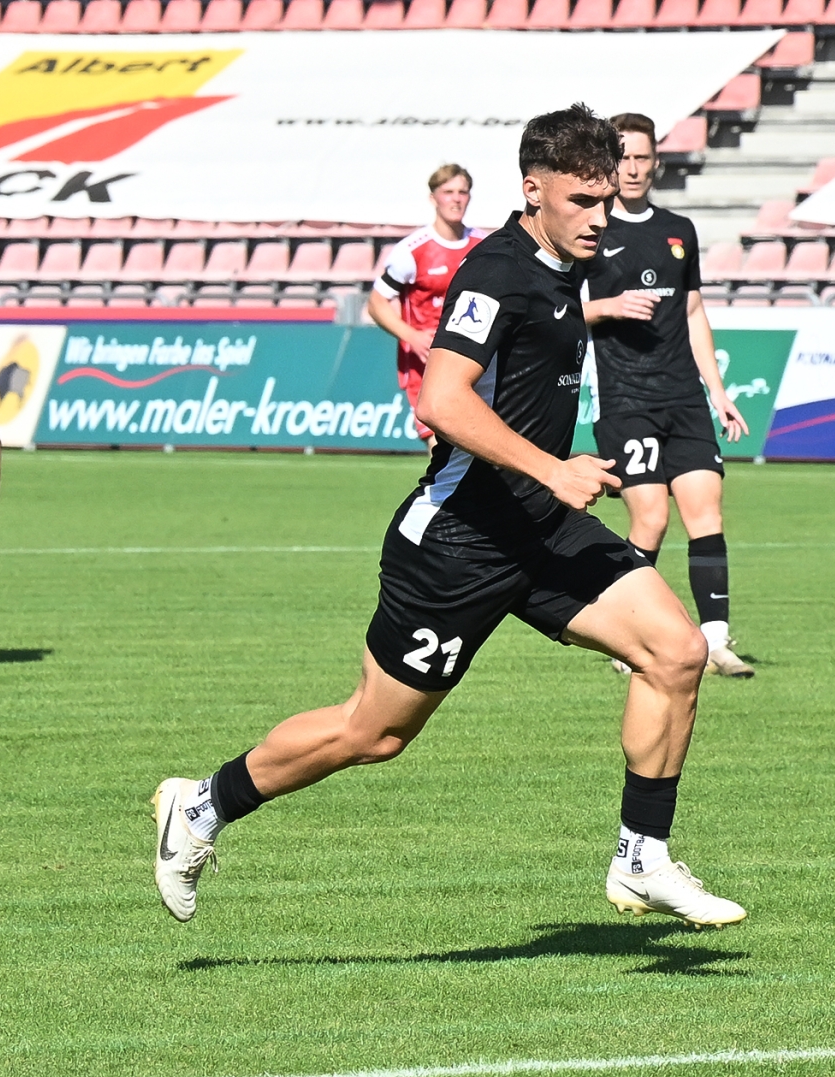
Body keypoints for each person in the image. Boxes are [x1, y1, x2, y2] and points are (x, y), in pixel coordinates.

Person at [151, 104, 745, 932]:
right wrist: (552, 466)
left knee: (677, 652)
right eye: (582, 200)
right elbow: (440, 398)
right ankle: (202, 804)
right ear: (532, 190)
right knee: (374, 733)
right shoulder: (496, 271)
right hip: (460, 538)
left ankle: (641, 856)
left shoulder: (569, 262)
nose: (600, 218)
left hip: (541, 525)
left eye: (607, 199)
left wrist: (559, 470)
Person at [581, 111, 754, 679]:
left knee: (706, 511)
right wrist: (607, 308)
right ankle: (627, 636)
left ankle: (716, 641)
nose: (633, 168)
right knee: (651, 518)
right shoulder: (591, 229)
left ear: (657, 162)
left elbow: (694, 311)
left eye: (642, 157)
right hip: (625, 399)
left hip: (684, 398)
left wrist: (718, 392)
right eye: (623, 157)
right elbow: (558, 311)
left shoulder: (679, 229)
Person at [368, 163, 484, 447]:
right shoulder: (411, 251)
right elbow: (376, 303)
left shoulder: (484, 245)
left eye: (462, 192)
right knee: (440, 449)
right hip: (426, 364)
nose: (456, 199)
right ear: (433, 198)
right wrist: (413, 337)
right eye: (448, 192)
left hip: (472, 359)